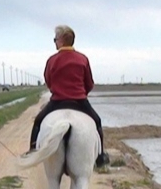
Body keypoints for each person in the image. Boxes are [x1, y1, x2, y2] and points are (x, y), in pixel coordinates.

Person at [26, 25, 109, 167]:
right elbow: (89, 83)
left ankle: (33, 150)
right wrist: (81, 93)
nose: (55, 42)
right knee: (97, 121)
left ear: (61, 40)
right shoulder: (83, 59)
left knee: (38, 122)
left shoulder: (52, 60)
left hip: (58, 101)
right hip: (80, 101)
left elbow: (48, 80)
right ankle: (100, 157)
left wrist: (57, 90)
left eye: (55, 39)